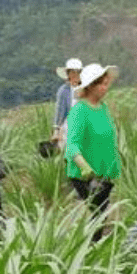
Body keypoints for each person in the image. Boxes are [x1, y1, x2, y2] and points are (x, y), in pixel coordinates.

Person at [65, 62, 120, 220]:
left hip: (104, 174)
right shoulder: (79, 111)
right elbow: (72, 146)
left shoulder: (103, 108)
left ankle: (96, 243)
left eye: (105, 83)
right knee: (98, 217)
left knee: (100, 216)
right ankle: (91, 244)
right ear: (90, 86)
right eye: (101, 84)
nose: (105, 88)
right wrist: (87, 171)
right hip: (86, 177)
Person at [52, 58, 83, 150]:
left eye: (76, 73)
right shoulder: (63, 91)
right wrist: (56, 131)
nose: (74, 75)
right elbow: (60, 111)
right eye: (71, 73)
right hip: (68, 126)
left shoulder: (87, 89)